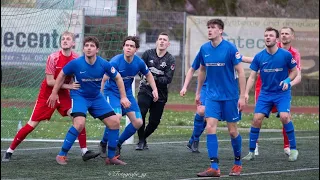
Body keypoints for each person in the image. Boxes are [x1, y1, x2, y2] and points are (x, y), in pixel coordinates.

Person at [2, 31, 99, 162]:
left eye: (68, 39)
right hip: (47, 94)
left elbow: (77, 78)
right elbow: (50, 81)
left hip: (64, 95)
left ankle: (85, 151)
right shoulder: (53, 57)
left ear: (73, 43)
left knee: (78, 118)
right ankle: (9, 151)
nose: (64, 40)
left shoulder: (76, 59)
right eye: (63, 39)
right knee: (32, 124)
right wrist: (69, 86)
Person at [47, 36, 131, 165]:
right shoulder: (76, 63)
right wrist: (54, 93)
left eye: (92, 46)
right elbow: (62, 75)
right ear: (83, 48)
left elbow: (118, 77)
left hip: (96, 97)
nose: (89, 48)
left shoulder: (103, 63)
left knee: (115, 122)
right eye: (86, 45)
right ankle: (61, 155)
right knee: (79, 124)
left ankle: (111, 157)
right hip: (80, 97)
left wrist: (124, 97)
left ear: (97, 49)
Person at [195, 19, 246, 177]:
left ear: (220, 31)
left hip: (230, 96)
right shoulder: (204, 49)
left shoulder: (230, 48)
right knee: (210, 127)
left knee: (232, 131)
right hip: (211, 95)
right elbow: (202, 70)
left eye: (213, 28)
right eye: (208, 27)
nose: (209, 30)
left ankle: (237, 164)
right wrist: (198, 92)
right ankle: (214, 167)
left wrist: (243, 96)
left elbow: (241, 71)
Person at [242, 26, 301, 156]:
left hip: (282, 93)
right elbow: (252, 76)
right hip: (265, 93)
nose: (268, 37)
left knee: (285, 117)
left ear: (276, 39)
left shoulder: (287, 55)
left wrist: (287, 81)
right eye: (266, 35)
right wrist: (245, 93)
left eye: (271, 35)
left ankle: (292, 148)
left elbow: (296, 72)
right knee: (257, 118)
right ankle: (252, 151)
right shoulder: (260, 56)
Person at [99, 36, 158, 158]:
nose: (128, 48)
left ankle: (118, 144)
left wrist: (155, 89)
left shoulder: (139, 62)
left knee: (138, 122)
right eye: (126, 45)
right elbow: (104, 78)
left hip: (127, 94)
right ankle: (104, 143)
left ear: (136, 49)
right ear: (123, 47)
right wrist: (100, 96)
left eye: (131, 46)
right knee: (116, 118)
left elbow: (149, 75)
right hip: (112, 93)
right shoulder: (115, 62)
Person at [136, 32, 176, 150]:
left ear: (168, 44)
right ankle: (141, 141)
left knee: (154, 122)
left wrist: (153, 78)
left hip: (161, 93)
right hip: (145, 89)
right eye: (160, 39)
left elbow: (168, 79)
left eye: (164, 40)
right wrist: (146, 78)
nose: (162, 41)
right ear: (156, 42)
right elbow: (139, 69)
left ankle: (143, 138)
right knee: (141, 113)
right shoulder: (147, 54)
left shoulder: (170, 59)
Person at [180, 54, 207, 153]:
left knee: (210, 117)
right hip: (204, 87)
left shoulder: (227, 49)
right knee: (201, 110)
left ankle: (191, 141)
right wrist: (184, 87)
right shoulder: (204, 50)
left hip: (219, 88)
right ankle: (195, 140)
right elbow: (192, 69)